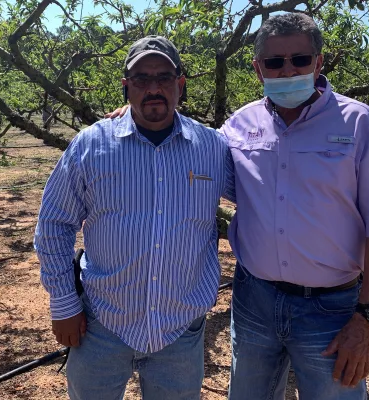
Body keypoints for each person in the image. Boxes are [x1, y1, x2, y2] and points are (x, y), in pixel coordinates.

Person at [221, 13, 369, 400]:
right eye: (274, 62)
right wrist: (128, 117)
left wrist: (367, 320)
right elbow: (191, 154)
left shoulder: (361, 124)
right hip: (254, 300)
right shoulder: (238, 125)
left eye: (299, 59)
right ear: (257, 68)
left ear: (318, 62)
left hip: (330, 310)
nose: (287, 70)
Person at [34, 35, 235, 400]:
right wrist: (63, 303)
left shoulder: (214, 148)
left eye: (164, 77)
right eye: (141, 79)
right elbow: (54, 224)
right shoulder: (91, 145)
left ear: (181, 84)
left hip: (180, 328)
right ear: (126, 87)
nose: (154, 88)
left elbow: (266, 193)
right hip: (100, 325)